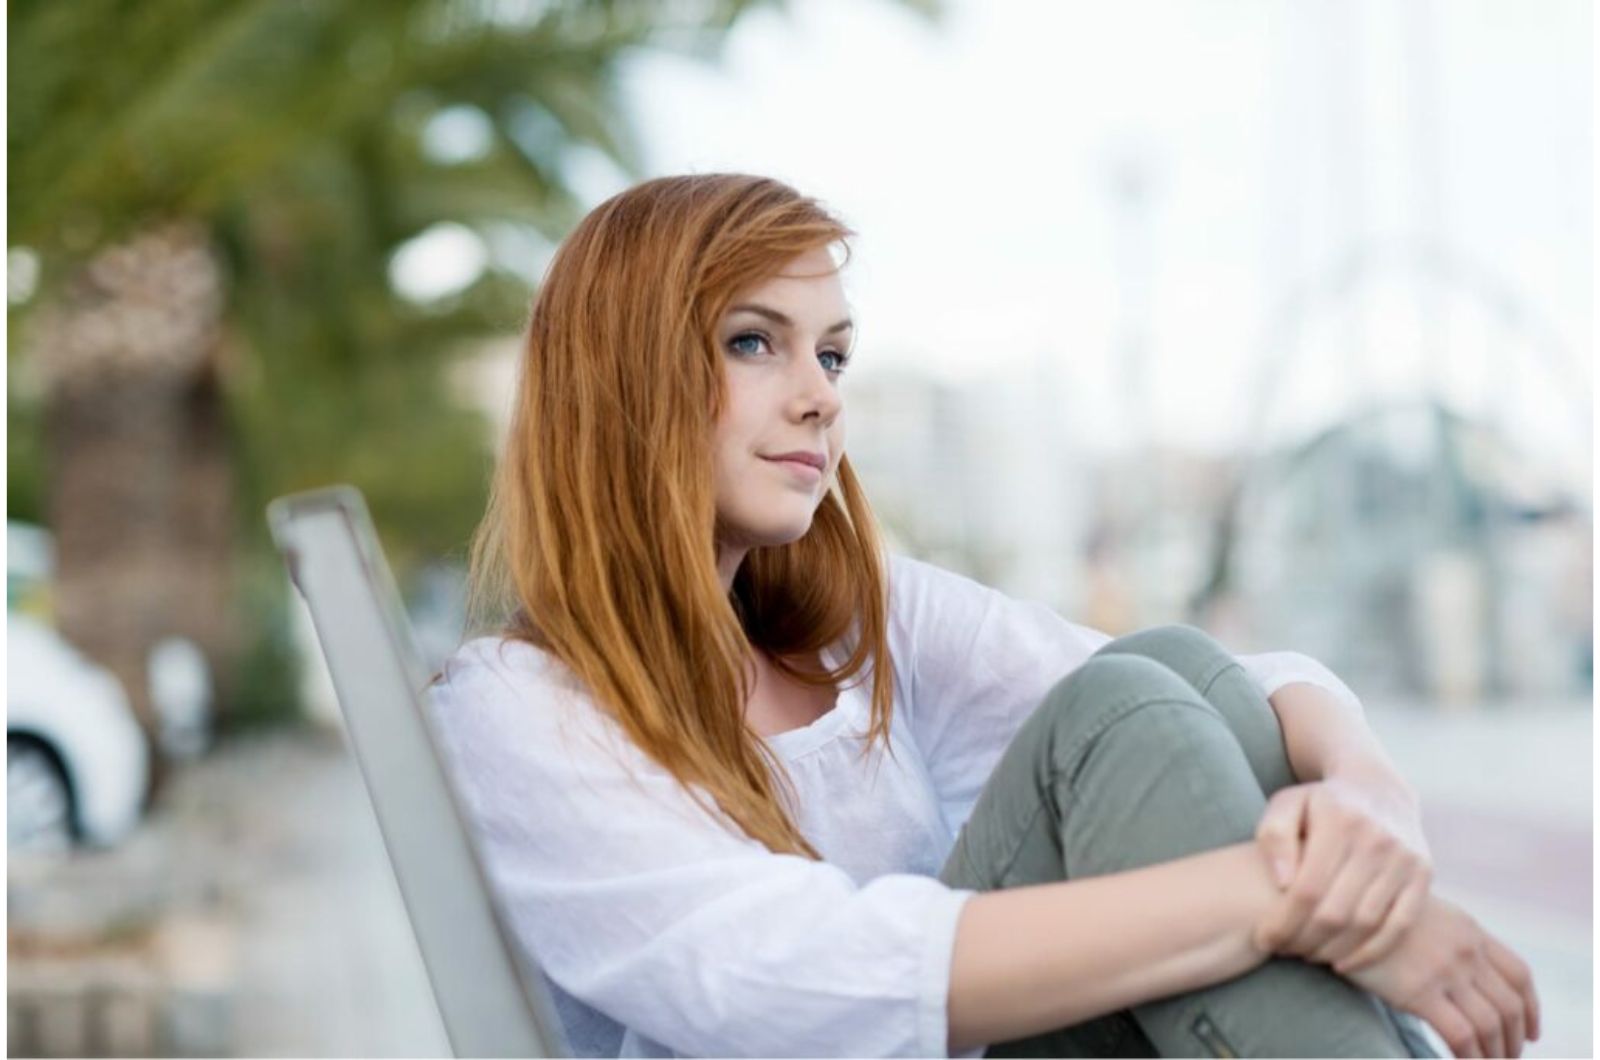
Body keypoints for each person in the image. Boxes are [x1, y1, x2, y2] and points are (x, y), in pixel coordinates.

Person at [428, 173, 1540, 1058]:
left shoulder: (860, 627)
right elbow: (776, 982)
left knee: (1151, 676)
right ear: (624, 378)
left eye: (832, 352)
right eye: (753, 340)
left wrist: (1369, 797)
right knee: (1122, 707)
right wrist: (1289, 899)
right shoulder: (519, 707)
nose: (819, 392)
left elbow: (1212, 686)